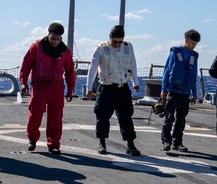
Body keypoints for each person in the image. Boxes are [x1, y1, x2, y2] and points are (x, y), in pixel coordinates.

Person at [20, 23, 76, 154]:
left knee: (56, 117)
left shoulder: (65, 51)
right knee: (35, 114)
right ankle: (32, 139)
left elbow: (69, 71)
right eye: (53, 38)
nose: (55, 41)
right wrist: (23, 82)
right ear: (48, 34)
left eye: (58, 39)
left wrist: (70, 89)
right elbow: (26, 64)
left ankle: (54, 144)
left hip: (56, 87)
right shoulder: (36, 47)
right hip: (39, 85)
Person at [86, 24, 142, 155]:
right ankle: (102, 143)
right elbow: (92, 68)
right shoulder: (101, 49)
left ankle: (130, 145)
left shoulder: (128, 47)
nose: (117, 44)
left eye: (119, 41)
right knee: (103, 116)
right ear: (110, 37)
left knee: (126, 117)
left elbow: (133, 64)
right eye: (115, 41)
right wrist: (89, 88)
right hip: (107, 88)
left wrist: (135, 82)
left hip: (123, 88)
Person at [160, 29, 201, 152]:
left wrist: (194, 93)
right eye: (192, 43)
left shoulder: (194, 55)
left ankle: (177, 142)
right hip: (173, 90)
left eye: (195, 44)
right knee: (169, 117)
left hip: (185, 92)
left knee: (181, 119)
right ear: (186, 40)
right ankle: (166, 141)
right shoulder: (175, 52)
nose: (193, 46)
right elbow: (167, 71)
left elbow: (193, 75)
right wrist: (163, 90)